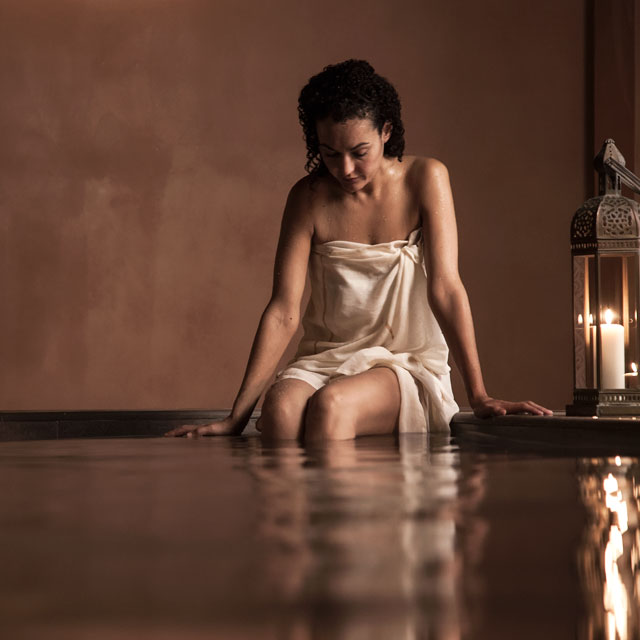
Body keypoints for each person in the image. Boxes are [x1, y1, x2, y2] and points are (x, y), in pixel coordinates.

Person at [165, 59, 552, 442]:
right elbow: (284, 311)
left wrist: (479, 395)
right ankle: (294, 506)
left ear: (386, 132)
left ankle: (350, 503)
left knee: (332, 406)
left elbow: (446, 288)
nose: (345, 168)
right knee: (280, 413)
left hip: (403, 362)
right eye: (330, 154)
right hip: (325, 358)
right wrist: (236, 417)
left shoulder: (426, 178)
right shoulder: (307, 197)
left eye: (359, 151)